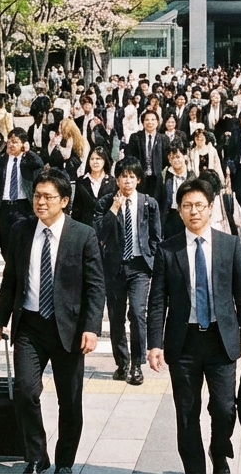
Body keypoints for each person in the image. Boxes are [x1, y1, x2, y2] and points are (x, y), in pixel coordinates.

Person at [0, 168, 104, 474]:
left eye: (48, 197)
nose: (40, 202)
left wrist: (92, 328)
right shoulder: (21, 230)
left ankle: (64, 461)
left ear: (64, 201)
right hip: (30, 326)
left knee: (70, 401)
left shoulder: (83, 234)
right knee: (25, 392)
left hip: (69, 329)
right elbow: (11, 278)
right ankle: (37, 456)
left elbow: (95, 286)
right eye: (37, 196)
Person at [147, 179, 241, 474]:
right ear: (179, 210)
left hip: (221, 341)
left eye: (199, 205)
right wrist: (154, 344)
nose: (193, 211)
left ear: (210, 208)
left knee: (224, 408)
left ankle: (219, 451)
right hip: (183, 343)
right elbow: (157, 300)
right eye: (187, 206)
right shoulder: (167, 249)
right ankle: (194, 469)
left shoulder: (229, 245)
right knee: (187, 412)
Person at [96, 157, 162, 386]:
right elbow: (99, 233)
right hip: (114, 266)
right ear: (117, 179)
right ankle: (122, 362)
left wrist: (151, 259)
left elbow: (156, 236)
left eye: (132, 176)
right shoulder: (106, 202)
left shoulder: (148, 203)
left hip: (139, 266)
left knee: (137, 312)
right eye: (123, 176)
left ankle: (136, 364)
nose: (127, 181)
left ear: (139, 180)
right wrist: (114, 209)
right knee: (116, 316)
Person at [0, 130, 46, 263]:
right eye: (9, 142)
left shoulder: (27, 161)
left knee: (22, 242)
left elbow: (39, 164)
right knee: (5, 243)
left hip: (23, 207)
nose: (11, 145)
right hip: (4, 207)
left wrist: (28, 152)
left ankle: (20, 270)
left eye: (15, 142)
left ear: (23, 144)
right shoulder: (0, 160)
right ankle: (10, 269)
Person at [72, 148, 117, 227]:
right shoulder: (81, 181)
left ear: (104, 161)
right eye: (92, 159)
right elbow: (77, 209)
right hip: (86, 227)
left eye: (98, 159)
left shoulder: (112, 182)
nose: (95, 162)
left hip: (105, 226)